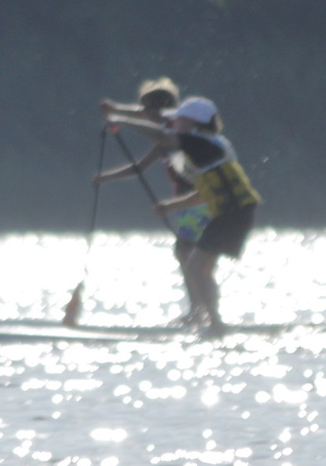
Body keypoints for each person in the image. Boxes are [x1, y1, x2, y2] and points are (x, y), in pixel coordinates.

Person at [103, 92, 261, 335]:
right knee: (195, 265)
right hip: (230, 213)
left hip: (235, 213)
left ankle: (216, 325)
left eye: (179, 119)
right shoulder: (202, 147)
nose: (174, 122)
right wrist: (171, 206)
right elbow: (204, 193)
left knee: (196, 266)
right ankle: (213, 322)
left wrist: (120, 119)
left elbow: (160, 135)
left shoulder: (200, 142)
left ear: (194, 123)